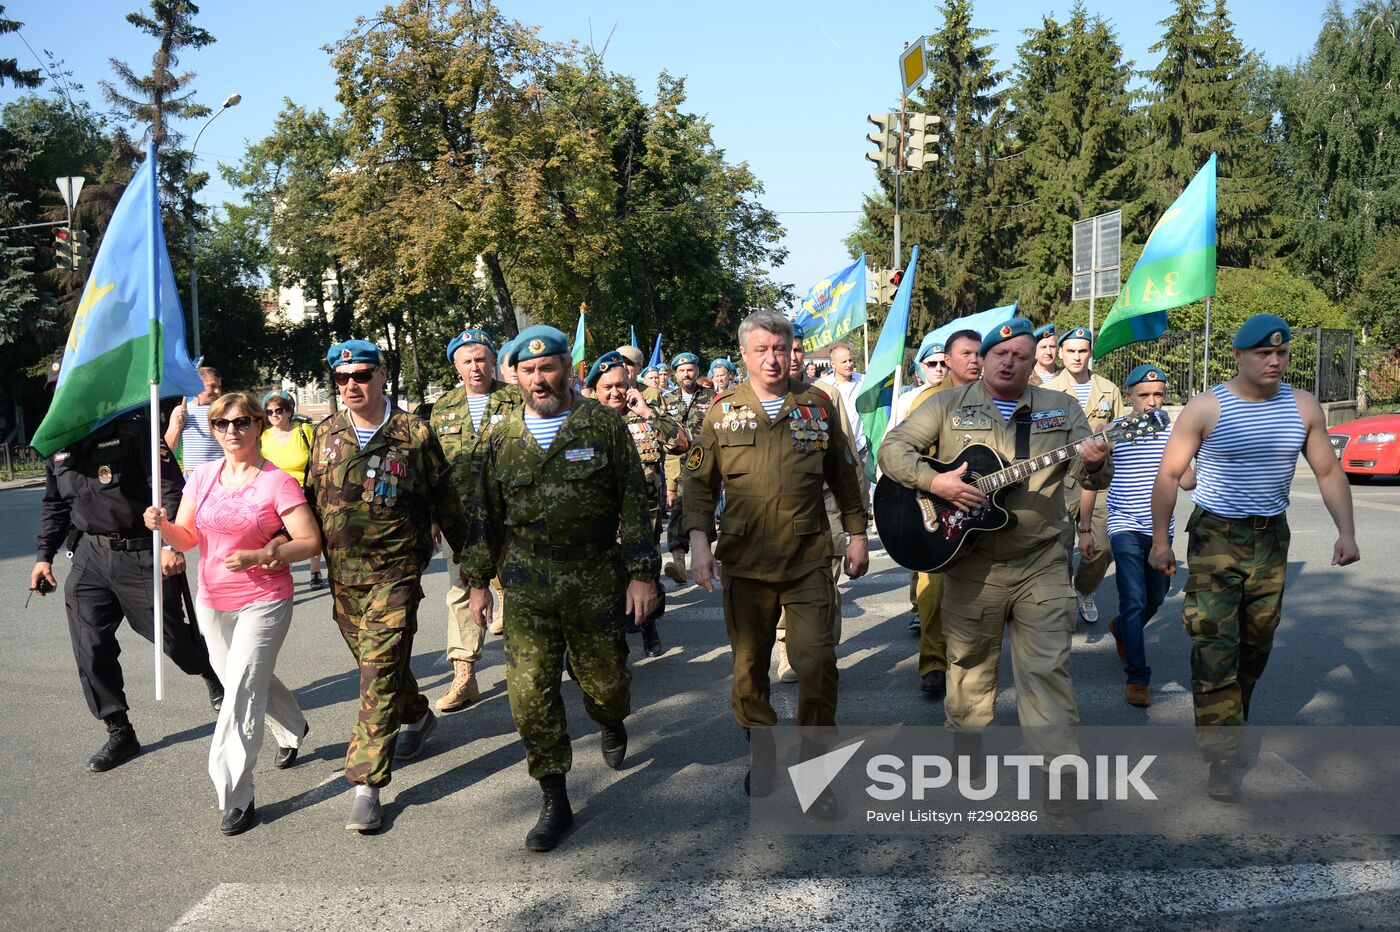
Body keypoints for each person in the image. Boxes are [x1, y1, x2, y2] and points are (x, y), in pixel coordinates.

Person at [878, 318, 1111, 805]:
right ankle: (967, 755)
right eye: (1000, 354)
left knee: (1049, 668)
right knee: (970, 668)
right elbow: (892, 450)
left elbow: (1094, 478)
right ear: (982, 359)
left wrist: (1094, 462)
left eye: (1022, 355)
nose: (1010, 361)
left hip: (1041, 560)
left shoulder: (1062, 408)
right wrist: (934, 482)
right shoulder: (945, 404)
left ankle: (1061, 776)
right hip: (972, 562)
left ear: (1034, 362)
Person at [462, 326, 658, 852]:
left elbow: (636, 502)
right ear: (516, 376)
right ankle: (555, 797)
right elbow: (486, 513)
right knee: (529, 692)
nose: (538, 379)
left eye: (547, 368)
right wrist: (477, 582)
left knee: (607, 684)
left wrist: (642, 573)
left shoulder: (601, 426)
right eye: (527, 371)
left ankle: (611, 719)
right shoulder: (502, 435)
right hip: (526, 581)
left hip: (594, 574)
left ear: (568, 370)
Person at [1149, 314, 1359, 802]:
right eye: (1264, 353)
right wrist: (1161, 542)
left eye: (1282, 353)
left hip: (1271, 540)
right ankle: (1222, 757)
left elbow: (1328, 473)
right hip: (1216, 538)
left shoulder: (1304, 407)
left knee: (1255, 645)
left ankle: (1230, 724)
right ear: (1239, 356)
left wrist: (1346, 532)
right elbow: (1168, 475)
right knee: (1215, 646)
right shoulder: (1206, 408)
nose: (1275, 360)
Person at [683, 311, 868, 810]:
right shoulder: (721, 412)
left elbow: (845, 477)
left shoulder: (817, 406)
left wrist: (857, 535)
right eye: (761, 349)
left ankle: (816, 769)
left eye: (780, 349)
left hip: (808, 557)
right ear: (744, 354)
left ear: (793, 352)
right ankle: (762, 752)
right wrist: (699, 543)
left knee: (818, 663)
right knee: (749, 666)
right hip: (745, 562)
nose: (772, 358)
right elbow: (698, 485)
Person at [305, 339, 471, 833]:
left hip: (395, 573)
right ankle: (418, 715)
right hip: (344, 579)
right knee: (380, 665)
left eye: (361, 375)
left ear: (381, 375)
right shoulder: (326, 433)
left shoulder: (413, 433)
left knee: (376, 671)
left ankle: (366, 784)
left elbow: (447, 502)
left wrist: (476, 569)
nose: (352, 385)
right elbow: (307, 500)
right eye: (342, 378)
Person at [144, 392, 321, 835]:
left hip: (264, 598)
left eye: (241, 422)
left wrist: (262, 555)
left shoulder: (277, 482)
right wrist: (161, 527)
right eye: (221, 424)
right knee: (241, 678)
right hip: (212, 600)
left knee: (240, 692)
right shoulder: (202, 477)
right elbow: (186, 538)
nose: (230, 431)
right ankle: (293, 726)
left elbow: (309, 542)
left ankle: (235, 793)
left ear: (258, 425)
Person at [33, 407, 224, 773]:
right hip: (90, 557)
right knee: (90, 647)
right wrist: (44, 556)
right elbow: (55, 505)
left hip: (142, 554)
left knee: (172, 639)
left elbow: (171, 489)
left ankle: (212, 672)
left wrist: (172, 544)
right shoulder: (58, 444)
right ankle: (119, 729)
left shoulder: (135, 433)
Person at [772, 323, 869, 684]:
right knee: (785, 590)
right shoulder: (761, 396)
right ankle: (787, 650)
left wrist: (858, 521)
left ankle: (822, 648)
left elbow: (847, 462)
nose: (793, 357)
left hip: (825, 513)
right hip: (779, 518)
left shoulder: (826, 395)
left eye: (799, 350)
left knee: (825, 591)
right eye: (787, 349)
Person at [1101, 365, 1193, 708]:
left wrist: (1197, 457)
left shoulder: (1176, 434)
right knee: (1134, 600)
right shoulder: (1112, 431)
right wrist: (1084, 527)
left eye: (1158, 395)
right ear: (1129, 396)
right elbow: (1091, 479)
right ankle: (1138, 678)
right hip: (1123, 525)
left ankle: (1122, 628)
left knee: (1157, 596)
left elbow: (1187, 482)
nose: (1152, 402)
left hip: (1160, 534)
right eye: (1144, 395)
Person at [589, 350, 686, 656]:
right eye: (608, 387)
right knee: (606, 584)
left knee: (647, 576)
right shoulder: (583, 422)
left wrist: (646, 412)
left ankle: (649, 624)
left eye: (621, 384)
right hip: (601, 521)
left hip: (645, 516)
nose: (616, 391)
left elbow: (680, 443)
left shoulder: (644, 413)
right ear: (595, 390)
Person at [430, 328, 506, 713]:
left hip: (512, 517)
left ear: (492, 360)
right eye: (467, 361)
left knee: (521, 587)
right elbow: (435, 470)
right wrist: (433, 517)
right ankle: (465, 676)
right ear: (456, 367)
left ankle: (534, 662)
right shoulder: (442, 408)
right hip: (461, 521)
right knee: (460, 591)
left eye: (481, 359)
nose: (475, 367)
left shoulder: (515, 399)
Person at [1043, 326, 1125, 623]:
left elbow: (1119, 433)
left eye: (1083, 350)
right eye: (1071, 351)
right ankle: (1062, 601)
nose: (1077, 357)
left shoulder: (1108, 389)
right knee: (1060, 548)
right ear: (1061, 353)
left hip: (1099, 480)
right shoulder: (1047, 391)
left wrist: (1108, 442)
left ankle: (1084, 589)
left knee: (1102, 546)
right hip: (1060, 481)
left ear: (1090, 353)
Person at [893, 332, 959, 698]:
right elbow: (901, 454)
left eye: (978, 353)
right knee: (932, 588)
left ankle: (968, 662)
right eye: (932, 363)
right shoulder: (926, 401)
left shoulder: (995, 398)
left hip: (981, 509)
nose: (974, 361)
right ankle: (933, 663)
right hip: (933, 504)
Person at [259, 389, 325, 591]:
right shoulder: (263, 436)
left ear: (289, 411)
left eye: (279, 410)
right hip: (273, 493)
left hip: (303, 491)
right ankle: (281, 572)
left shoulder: (304, 431)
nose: (274, 415)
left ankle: (315, 570)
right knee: (276, 536)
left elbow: (321, 456)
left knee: (309, 532)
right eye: (269, 412)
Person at [662, 352, 715, 586]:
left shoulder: (711, 397)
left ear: (698, 372)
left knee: (703, 510)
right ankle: (679, 560)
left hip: (705, 463)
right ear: (675, 373)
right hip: (677, 465)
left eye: (691, 369)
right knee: (677, 510)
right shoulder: (667, 399)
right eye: (682, 370)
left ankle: (704, 555)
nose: (687, 374)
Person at [164, 366, 224, 475]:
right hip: (192, 478)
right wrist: (178, 426)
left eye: (219, 387)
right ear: (197, 385)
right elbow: (168, 449)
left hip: (219, 476)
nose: (217, 391)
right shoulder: (181, 410)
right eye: (212, 386)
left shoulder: (223, 411)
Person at [820, 341, 867, 471]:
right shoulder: (823, 386)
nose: (849, 364)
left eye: (850, 360)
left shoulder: (864, 381)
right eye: (844, 362)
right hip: (836, 451)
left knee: (864, 490)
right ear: (833, 364)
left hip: (862, 449)